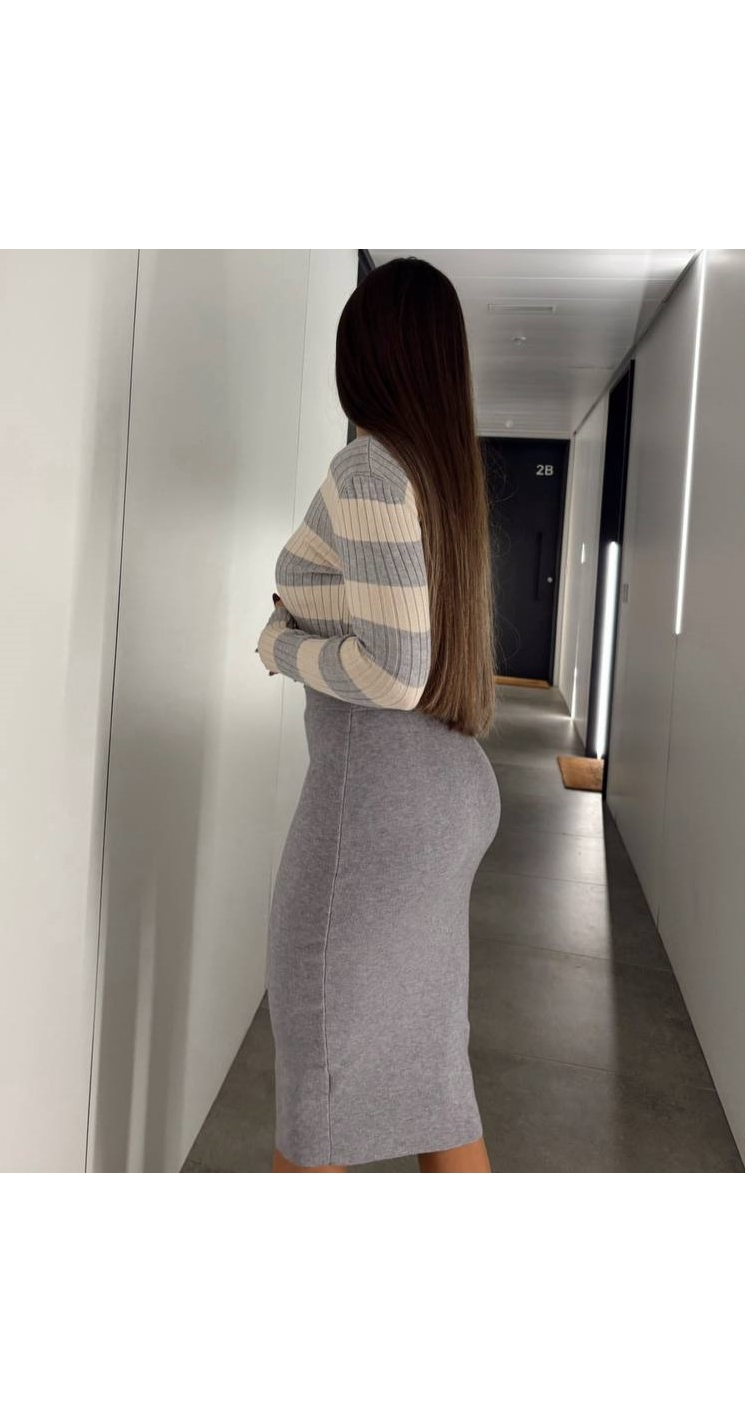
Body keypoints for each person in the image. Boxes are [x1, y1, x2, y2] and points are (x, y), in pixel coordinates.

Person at [255, 256, 501, 1173]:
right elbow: (419, 659)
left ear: (364, 354)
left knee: (319, 1078)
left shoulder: (366, 468)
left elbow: (396, 675)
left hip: (378, 801)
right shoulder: (439, 477)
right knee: (432, 1081)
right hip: (441, 793)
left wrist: (279, 644)